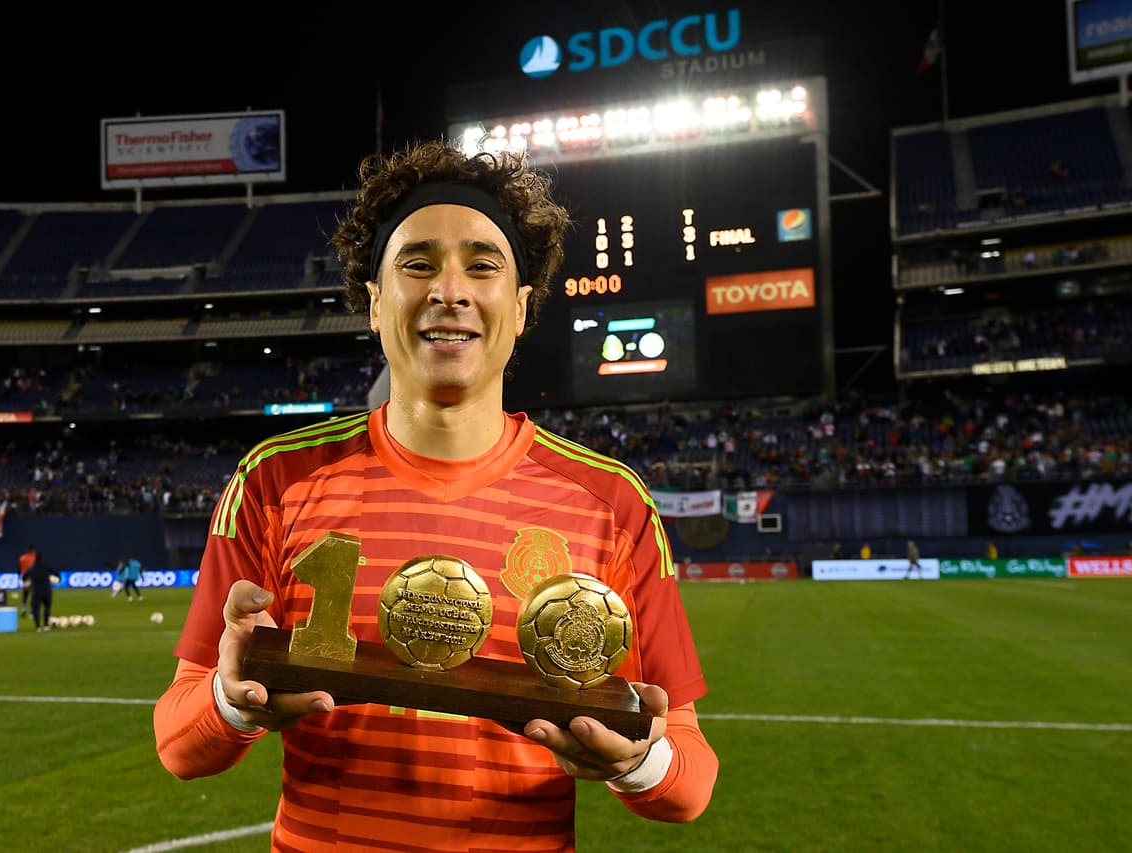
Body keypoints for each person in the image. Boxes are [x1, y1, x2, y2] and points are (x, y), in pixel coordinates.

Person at [153, 139, 718, 851]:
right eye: (417, 263)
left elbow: (691, 775)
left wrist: (640, 764)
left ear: (519, 308)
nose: (449, 289)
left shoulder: (613, 502)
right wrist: (229, 704)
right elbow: (178, 740)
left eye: (482, 266)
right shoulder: (273, 481)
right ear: (374, 301)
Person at [26, 549, 56, 632]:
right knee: (47, 608)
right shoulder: (46, 566)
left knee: (36, 609)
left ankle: (38, 627)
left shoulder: (32, 568)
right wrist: (56, 579)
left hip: (36, 591)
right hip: (47, 590)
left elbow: (24, 576)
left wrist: (28, 581)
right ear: (42, 558)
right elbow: (56, 573)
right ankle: (46, 625)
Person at [18, 545, 37, 617]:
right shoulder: (35, 558)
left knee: (25, 594)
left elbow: (19, 568)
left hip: (25, 578)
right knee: (33, 594)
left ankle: (24, 609)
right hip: (33, 577)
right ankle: (31, 612)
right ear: (33, 550)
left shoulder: (22, 558)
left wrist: (19, 576)